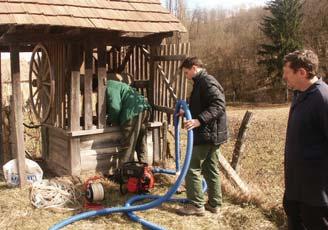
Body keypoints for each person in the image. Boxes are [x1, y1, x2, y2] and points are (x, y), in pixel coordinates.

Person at [282, 50, 328, 229]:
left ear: (301, 72)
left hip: (316, 192)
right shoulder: (300, 95)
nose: (285, 77)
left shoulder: (323, 98)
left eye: (287, 73)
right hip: (295, 186)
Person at [177, 57, 228, 216]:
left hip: (207, 134)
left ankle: (196, 205)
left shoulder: (207, 82)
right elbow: (203, 104)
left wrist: (199, 120)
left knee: (192, 168)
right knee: (210, 168)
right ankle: (214, 204)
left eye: (186, 72)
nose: (186, 76)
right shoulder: (201, 83)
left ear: (193, 68)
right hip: (211, 134)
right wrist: (187, 112)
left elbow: (218, 106)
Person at [105, 76, 151, 167]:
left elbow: (115, 107)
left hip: (132, 112)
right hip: (144, 108)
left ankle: (126, 172)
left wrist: (111, 121)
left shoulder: (108, 87)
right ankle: (145, 168)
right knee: (140, 140)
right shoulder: (117, 84)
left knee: (128, 143)